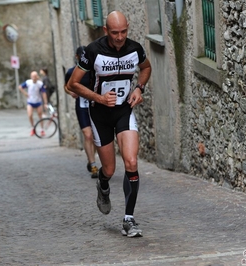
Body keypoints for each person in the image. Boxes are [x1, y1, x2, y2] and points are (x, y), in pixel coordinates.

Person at [67, 11, 152, 237]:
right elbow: (73, 84)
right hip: (100, 115)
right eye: (114, 33)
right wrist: (99, 98)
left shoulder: (135, 49)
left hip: (124, 111)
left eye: (123, 31)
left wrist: (139, 88)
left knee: (131, 162)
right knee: (109, 169)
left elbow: (146, 68)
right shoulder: (92, 51)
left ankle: (129, 219)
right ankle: (103, 185)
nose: (119, 37)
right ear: (106, 31)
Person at [65, 46, 99, 179]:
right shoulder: (71, 72)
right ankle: (93, 164)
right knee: (88, 135)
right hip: (81, 105)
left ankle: (92, 158)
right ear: (77, 57)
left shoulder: (94, 70)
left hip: (95, 105)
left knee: (96, 136)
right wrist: (71, 92)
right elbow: (66, 86)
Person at [19, 71, 48, 136]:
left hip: (38, 101)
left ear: (37, 76)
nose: (34, 78)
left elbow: (44, 93)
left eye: (35, 76)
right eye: (33, 76)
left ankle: (42, 129)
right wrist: (25, 94)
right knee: (30, 115)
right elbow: (20, 87)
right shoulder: (28, 82)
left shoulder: (40, 84)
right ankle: (33, 128)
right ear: (31, 77)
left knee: (40, 115)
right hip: (30, 101)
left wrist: (45, 103)